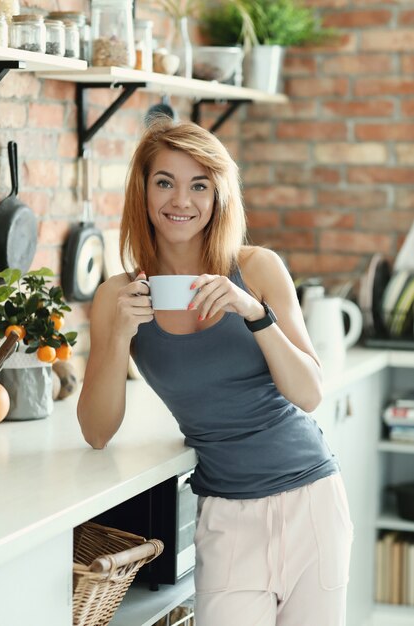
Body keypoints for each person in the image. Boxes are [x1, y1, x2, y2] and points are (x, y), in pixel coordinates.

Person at [77, 118, 353, 626]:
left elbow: (309, 394)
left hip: (311, 501)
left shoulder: (259, 268)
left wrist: (254, 314)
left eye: (199, 185)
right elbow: (96, 431)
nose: (181, 200)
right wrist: (119, 335)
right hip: (226, 513)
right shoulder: (118, 296)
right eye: (165, 182)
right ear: (143, 190)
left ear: (217, 195)